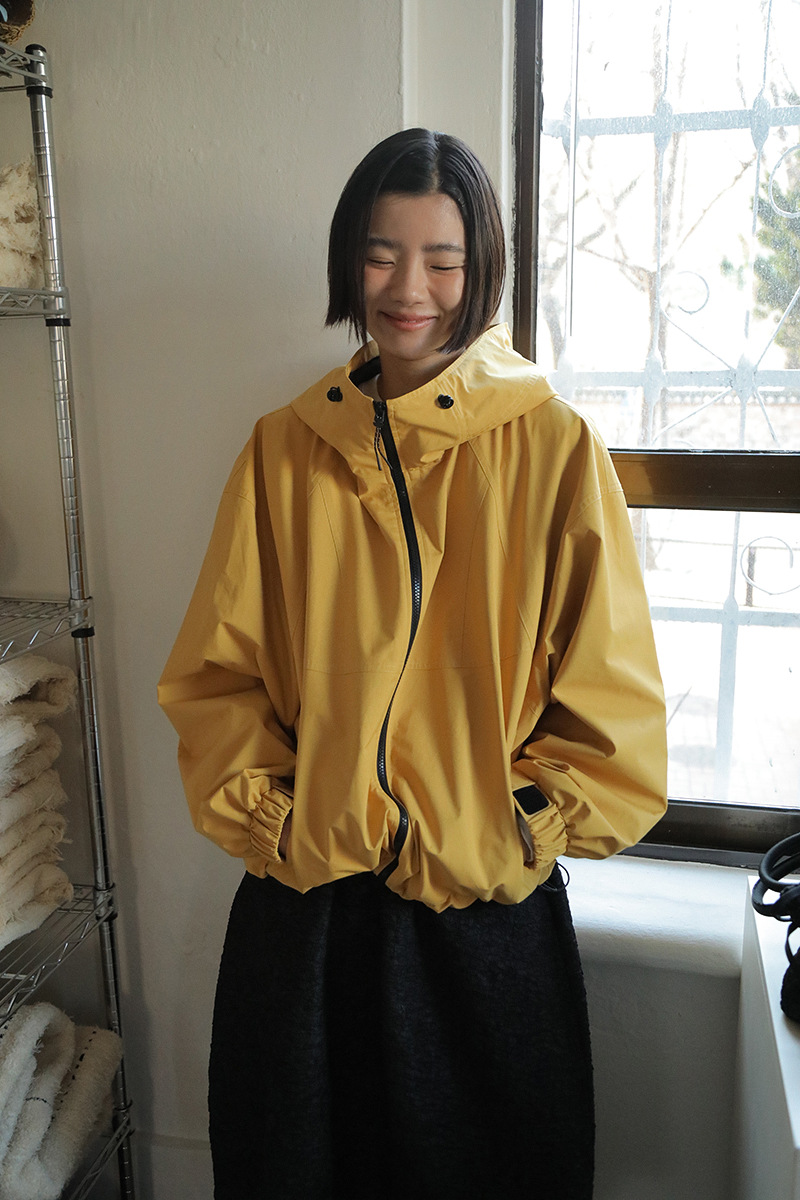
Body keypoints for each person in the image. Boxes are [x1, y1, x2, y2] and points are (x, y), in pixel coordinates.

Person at [157, 127, 667, 1200]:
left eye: (443, 259)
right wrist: (280, 821)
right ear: (348, 260)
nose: (409, 289)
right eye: (381, 254)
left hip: (484, 920)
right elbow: (216, 677)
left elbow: (612, 711)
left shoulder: (553, 447)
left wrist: (515, 829)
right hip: (307, 914)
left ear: (483, 271)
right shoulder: (283, 449)